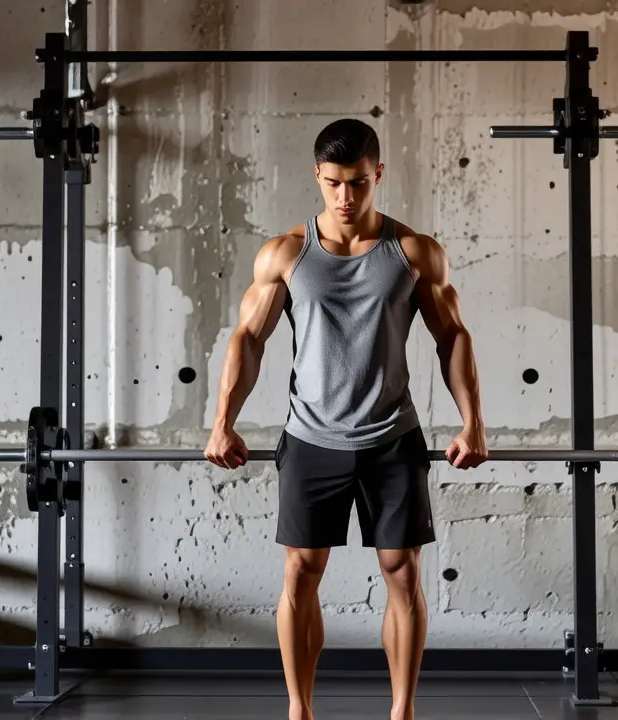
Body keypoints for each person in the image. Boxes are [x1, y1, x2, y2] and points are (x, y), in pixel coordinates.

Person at [204, 117, 488, 720]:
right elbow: (248, 340)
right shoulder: (285, 254)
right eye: (333, 183)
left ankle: (402, 711)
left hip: (393, 437)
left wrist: (474, 423)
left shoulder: (413, 253)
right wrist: (222, 421)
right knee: (301, 572)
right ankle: (299, 710)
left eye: (358, 183)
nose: (345, 197)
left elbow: (452, 337)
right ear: (318, 177)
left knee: (402, 573)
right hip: (311, 438)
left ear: (377, 175)